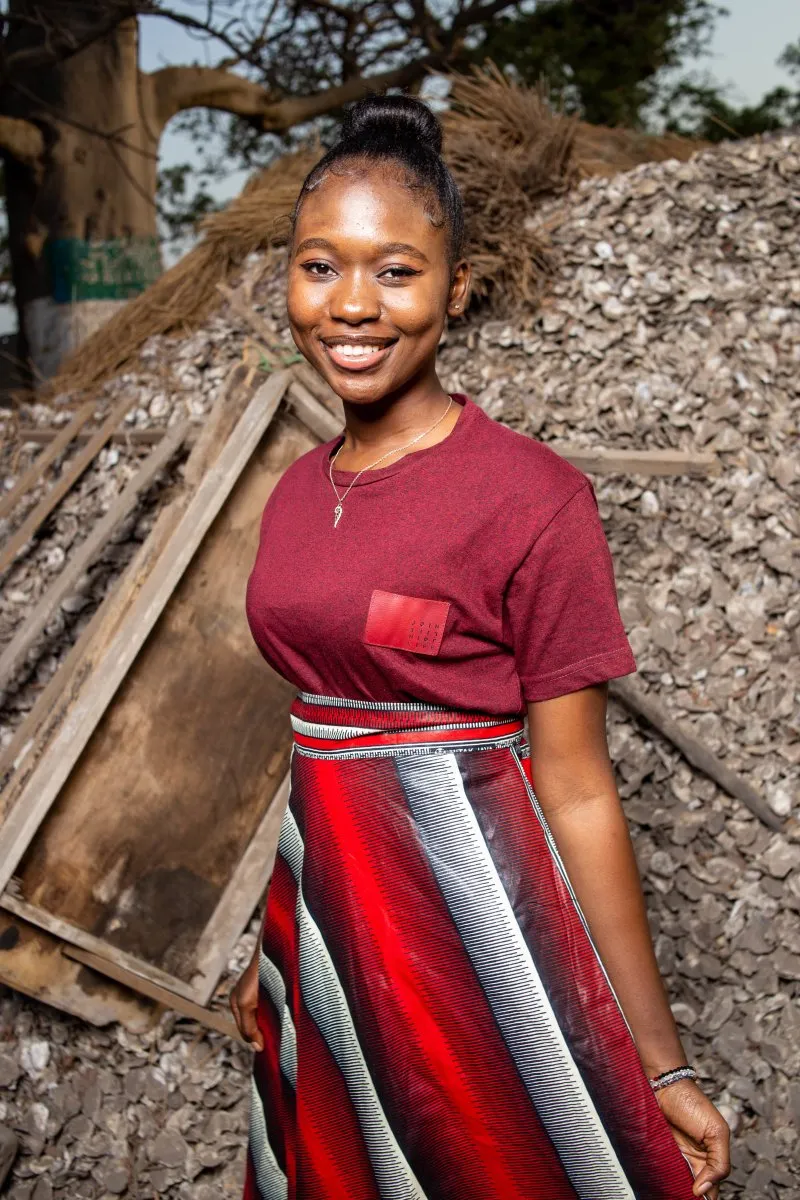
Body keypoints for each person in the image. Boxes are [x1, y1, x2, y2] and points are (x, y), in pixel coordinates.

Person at [231, 92, 731, 1200]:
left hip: (473, 935)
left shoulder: (530, 499)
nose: (351, 304)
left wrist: (657, 1062)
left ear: (454, 290)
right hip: (334, 925)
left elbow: (576, 786)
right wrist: (278, 940)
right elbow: (323, 734)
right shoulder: (291, 495)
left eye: (395, 271)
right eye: (320, 267)